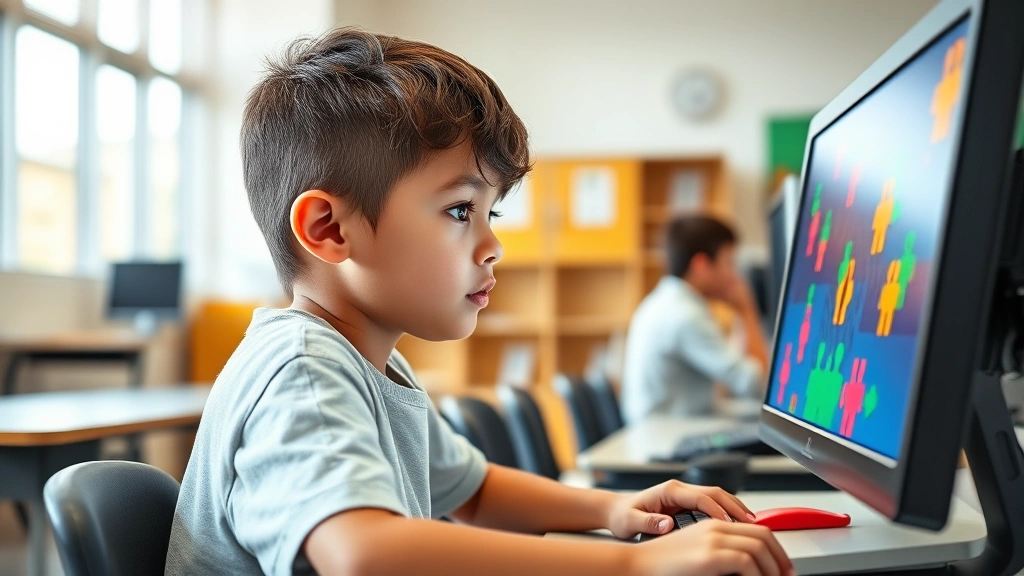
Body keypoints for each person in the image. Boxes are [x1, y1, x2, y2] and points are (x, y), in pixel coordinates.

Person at [164, 29, 792, 576]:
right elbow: (364, 556)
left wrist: (612, 508)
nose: (492, 245)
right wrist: (636, 563)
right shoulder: (302, 374)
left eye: (492, 212)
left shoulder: (369, 366)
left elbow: (475, 488)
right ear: (331, 230)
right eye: (460, 210)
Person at [622, 215, 769, 424]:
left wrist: (740, 314)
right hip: (664, 437)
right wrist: (748, 311)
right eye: (729, 262)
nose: (734, 276)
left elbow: (735, 372)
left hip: (661, 427)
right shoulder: (685, 316)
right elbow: (756, 384)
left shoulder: (666, 302)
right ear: (701, 265)